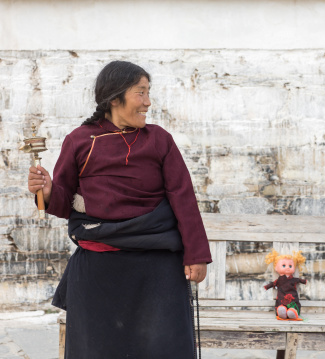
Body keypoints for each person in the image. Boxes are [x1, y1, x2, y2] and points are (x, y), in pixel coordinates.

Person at [27, 60, 212, 358]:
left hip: (157, 267)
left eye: (148, 93)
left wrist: (196, 255)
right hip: (100, 269)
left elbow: (183, 198)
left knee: (163, 348)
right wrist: (47, 191)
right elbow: (64, 203)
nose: (148, 102)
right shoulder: (79, 140)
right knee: (98, 349)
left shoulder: (159, 140)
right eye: (141, 93)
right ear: (114, 98)